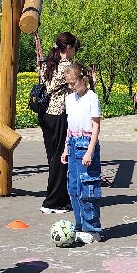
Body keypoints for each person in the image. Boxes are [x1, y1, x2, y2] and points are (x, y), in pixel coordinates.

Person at [37, 32, 79, 214]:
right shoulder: (66, 66)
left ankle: (61, 198)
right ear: (68, 48)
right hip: (59, 114)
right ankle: (51, 202)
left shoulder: (49, 63)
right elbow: (77, 85)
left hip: (45, 114)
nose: (75, 51)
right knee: (61, 157)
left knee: (53, 157)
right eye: (74, 47)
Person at [61, 62, 103, 243]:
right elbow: (69, 126)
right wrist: (65, 148)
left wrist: (90, 151)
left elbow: (96, 126)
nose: (71, 86)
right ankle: (79, 226)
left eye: (73, 83)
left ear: (82, 79)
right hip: (72, 143)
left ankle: (92, 229)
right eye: (69, 83)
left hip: (86, 143)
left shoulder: (92, 97)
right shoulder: (70, 99)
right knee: (73, 188)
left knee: (87, 188)